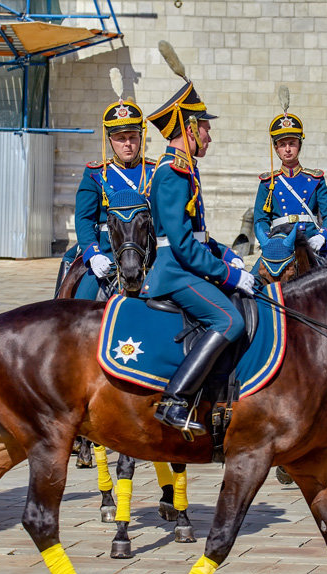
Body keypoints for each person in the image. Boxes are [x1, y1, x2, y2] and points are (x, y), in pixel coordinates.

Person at [142, 71, 255, 436]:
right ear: (189, 129)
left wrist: (226, 254)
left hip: (187, 265)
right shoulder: (173, 172)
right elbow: (182, 244)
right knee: (229, 321)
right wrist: (229, 274)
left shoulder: (187, 168)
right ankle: (175, 399)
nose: (209, 134)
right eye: (205, 127)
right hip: (176, 272)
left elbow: (198, 234)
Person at [54, 92, 156, 298]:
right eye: (121, 138)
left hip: (147, 254)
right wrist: (93, 254)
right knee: (78, 305)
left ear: (140, 138)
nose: (127, 144)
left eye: (132, 137)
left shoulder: (155, 171)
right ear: (110, 140)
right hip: (106, 252)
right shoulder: (96, 173)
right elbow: (84, 218)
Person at [253, 101, 327, 255]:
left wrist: (322, 236)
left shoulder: (315, 179)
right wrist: (267, 241)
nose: (288, 149)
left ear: (300, 145)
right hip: (279, 243)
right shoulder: (268, 183)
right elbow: (260, 220)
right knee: (255, 277)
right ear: (276, 149)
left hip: (311, 241)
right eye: (283, 145)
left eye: (292, 143)